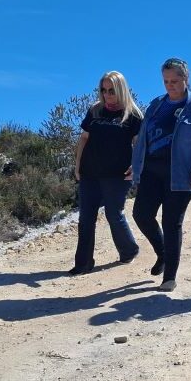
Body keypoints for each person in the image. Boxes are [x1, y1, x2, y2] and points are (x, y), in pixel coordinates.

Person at [131, 57, 191, 292]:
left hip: (181, 174)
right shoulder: (156, 105)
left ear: (185, 79)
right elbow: (142, 141)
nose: (170, 85)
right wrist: (136, 166)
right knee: (141, 214)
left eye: (175, 81)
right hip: (152, 170)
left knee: (171, 222)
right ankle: (163, 253)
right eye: (166, 81)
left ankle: (169, 277)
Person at [69, 71, 143, 274]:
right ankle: (83, 263)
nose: (107, 94)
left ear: (120, 89)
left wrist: (136, 166)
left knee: (113, 214)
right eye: (103, 90)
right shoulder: (95, 110)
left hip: (118, 174)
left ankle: (129, 250)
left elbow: (139, 144)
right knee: (86, 218)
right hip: (90, 172)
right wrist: (77, 166)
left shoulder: (132, 114)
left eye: (111, 90)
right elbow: (84, 139)